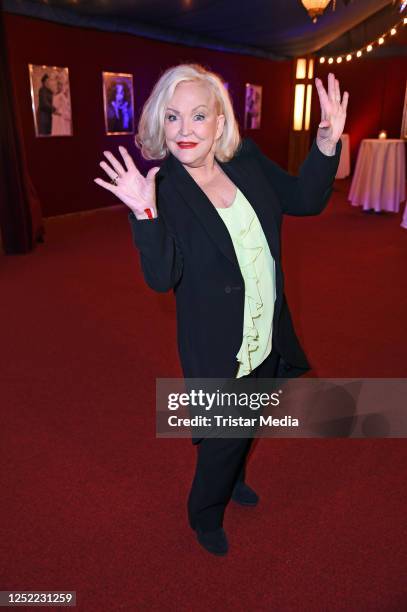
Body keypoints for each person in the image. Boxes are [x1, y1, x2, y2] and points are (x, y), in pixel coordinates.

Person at [94, 63, 348, 556]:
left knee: (248, 420)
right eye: (172, 117)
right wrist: (144, 216)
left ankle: (232, 481)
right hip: (217, 349)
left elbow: (304, 199)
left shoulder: (246, 161)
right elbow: (161, 277)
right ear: (158, 124)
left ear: (219, 123)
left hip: (266, 332)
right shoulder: (163, 189)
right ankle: (204, 512)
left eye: (198, 116)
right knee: (221, 442)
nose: (185, 130)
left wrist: (324, 145)